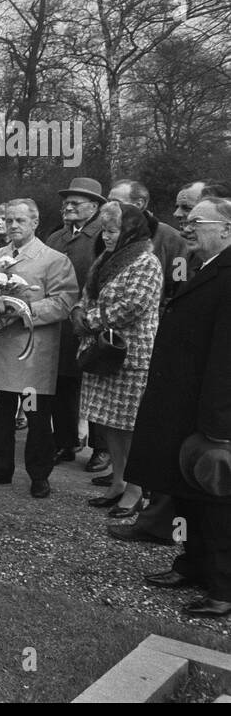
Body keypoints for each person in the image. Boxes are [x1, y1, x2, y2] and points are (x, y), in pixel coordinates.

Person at [124, 196, 231, 617]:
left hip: (207, 413)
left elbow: (226, 357)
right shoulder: (200, 267)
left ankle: (222, 588)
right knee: (186, 494)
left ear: (226, 228)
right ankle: (191, 564)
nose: (185, 225)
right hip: (179, 405)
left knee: (216, 502)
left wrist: (218, 425)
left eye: (197, 221)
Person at [0, 199, 79, 499]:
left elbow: (64, 301)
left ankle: (39, 474)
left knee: (36, 418)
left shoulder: (53, 259)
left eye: (20, 220)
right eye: (9, 219)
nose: (13, 225)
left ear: (35, 223)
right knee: (0, 414)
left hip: (32, 354)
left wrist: (23, 309)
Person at [75, 202, 162, 518]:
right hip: (101, 352)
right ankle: (119, 482)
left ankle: (136, 490)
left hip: (129, 356)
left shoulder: (145, 262)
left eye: (112, 231)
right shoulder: (105, 258)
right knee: (109, 424)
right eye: (105, 231)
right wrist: (80, 311)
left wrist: (90, 319)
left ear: (130, 231)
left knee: (130, 426)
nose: (107, 237)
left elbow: (133, 305)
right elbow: (89, 293)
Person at [45, 177, 110, 474]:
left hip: (90, 322)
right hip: (59, 324)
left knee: (96, 386)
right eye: (65, 203)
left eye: (76, 202)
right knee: (62, 384)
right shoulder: (56, 238)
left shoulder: (104, 237)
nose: (68, 207)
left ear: (95, 206)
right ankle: (65, 441)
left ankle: (102, 448)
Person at [109, 179, 186, 302]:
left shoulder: (171, 237)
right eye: (109, 202)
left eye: (116, 202)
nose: (109, 207)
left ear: (139, 204)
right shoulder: (104, 235)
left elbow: (179, 283)